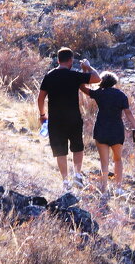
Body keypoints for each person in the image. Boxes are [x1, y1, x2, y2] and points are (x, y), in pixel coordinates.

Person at [37, 47, 100, 193]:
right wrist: (88, 67)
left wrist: (42, 115)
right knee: (77, 147)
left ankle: (65, 181)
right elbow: (97, 78)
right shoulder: (75, 75)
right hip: (73, 118)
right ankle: (77, 175)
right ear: (71, 60)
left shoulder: (49, 75)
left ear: (58, 60)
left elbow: (41, 98)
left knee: (60, 151)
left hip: (56, 119)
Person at [81, 71, 135, 196]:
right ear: (114, 82)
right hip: (116, 130)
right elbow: (128, 113)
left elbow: (83, 87)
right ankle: (118, 188)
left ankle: (104, 189)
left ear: (102, 81)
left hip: (101, 128)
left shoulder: (99, 93)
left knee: (104, 162)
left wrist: (85, 72)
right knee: (118, 159)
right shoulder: (121, 95)